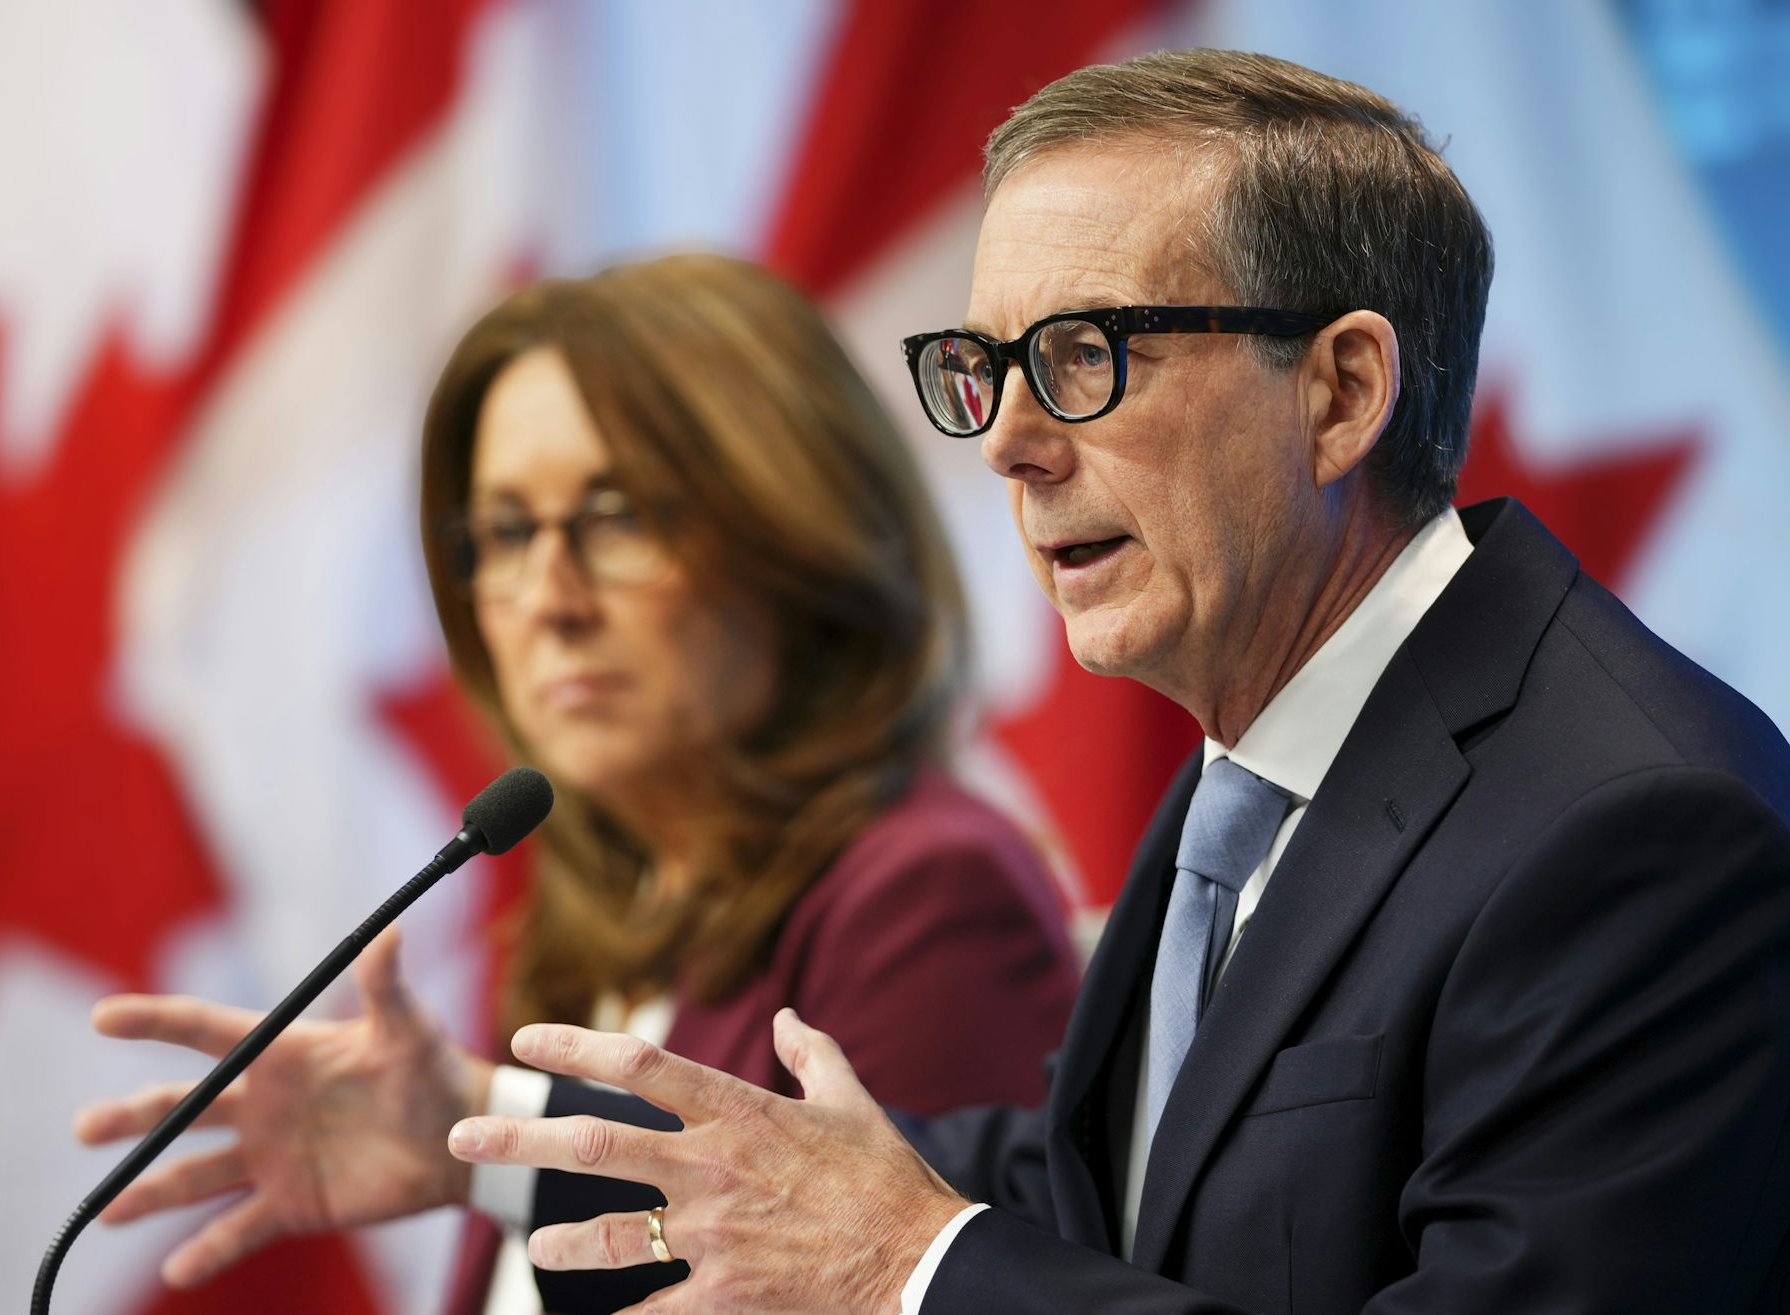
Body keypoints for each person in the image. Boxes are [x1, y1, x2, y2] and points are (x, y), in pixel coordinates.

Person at [442, 49, 1790, 1315]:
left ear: (1340, 391)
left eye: (1086, 356)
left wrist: (923, 1269)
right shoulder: (1257, 771)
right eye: (984, 368)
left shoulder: (1638, 828)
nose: (1009, 444)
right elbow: (1100, 1187)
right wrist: (474, 1134)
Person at [73, 252, 1081, 1315]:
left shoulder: (925, 894)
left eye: (618, 516)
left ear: (799, 536)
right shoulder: (602, 929)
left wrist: (490, 1128)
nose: (548, 598)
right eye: (506, 531)